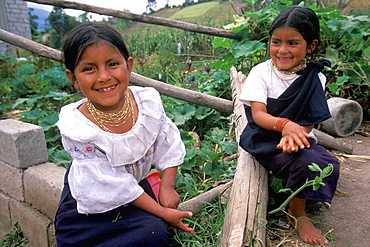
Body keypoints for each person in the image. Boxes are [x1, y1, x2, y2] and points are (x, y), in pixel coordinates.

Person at [54, 22, 193, 247]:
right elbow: (114, 186)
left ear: (128, 66)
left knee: (152, 231)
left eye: (112, 64)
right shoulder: (79, 128)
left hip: (134, 190)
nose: (103, 76)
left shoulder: (146, 104)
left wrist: (167, 186)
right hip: (92, 204)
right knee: (153, 232)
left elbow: (167, 141)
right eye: (89, 68)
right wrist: (161, 211)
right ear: (73, 78)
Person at [239, 6, 340, 246]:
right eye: (276, 42)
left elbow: (309, 122)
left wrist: (294, 137)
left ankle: (296, 209)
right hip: (264, 138)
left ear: (311, 46)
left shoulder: (315, 77)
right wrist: (284, 126)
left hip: (297, 139)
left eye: (293, 43)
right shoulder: (261, 73)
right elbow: (258, 114)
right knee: (303, 164)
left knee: (324, 164)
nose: (282, 50)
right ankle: (300, 216)